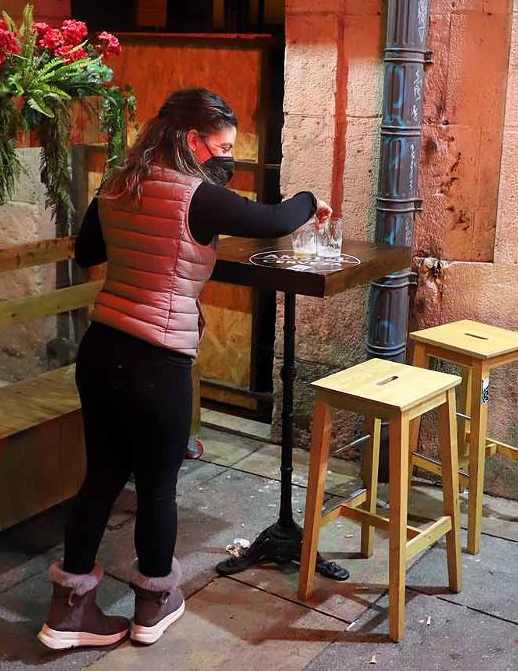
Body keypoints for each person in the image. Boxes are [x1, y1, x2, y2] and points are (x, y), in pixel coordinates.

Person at [38, 88, 332, 650]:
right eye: (220, 147)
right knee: (156, 487)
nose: (223, 159)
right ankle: (152, 607)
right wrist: (310, 196)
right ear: (192, 140)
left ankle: (66, 614)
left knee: (99, 478)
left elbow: (87, 253)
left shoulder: (119, 183)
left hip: (101, 352)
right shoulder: (196, 195)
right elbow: (274, 220)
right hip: (157, 360)